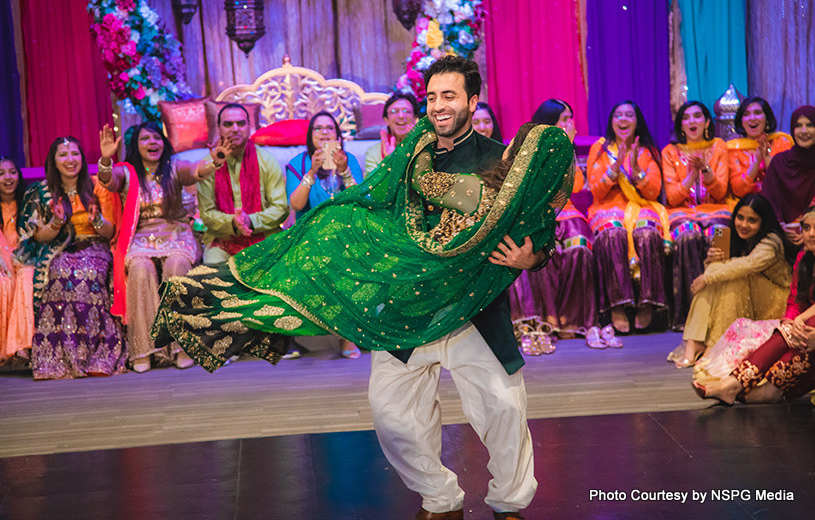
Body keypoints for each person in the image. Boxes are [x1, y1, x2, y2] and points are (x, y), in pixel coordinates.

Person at [152, 56, 573, 520]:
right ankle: (440, 498)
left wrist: (530, 256)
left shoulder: (502, 160)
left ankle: (509, 505)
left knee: (504, 405)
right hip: (405, 306)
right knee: (392, 414)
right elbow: (374, 199)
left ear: (473, 101)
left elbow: (541, 230)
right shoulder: (414, 154)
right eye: (431, 98)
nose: (438, 107)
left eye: (449, 96)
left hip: (475, 307)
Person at [97, 122, 221, 373]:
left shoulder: (174, 167)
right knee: (141, 270)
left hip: (176, 233)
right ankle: (144, 348)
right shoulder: (128, 172)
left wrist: (214, 160)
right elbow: (109, 181)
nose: (152, 143)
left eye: (157, 138)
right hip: (140, 236)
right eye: (145, 139)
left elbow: (195, 171)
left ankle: (182, 345)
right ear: (136, 145)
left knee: (177, 265)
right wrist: (105, 159)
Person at [16, 137, 126, 379]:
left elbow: (110, 232)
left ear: (82, 158)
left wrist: (96, 220)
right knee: (59, 277)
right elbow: (41, 237)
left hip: (95, 247)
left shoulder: (98, 187)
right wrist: (56, 222)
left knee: (86, 276)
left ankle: (97, 355)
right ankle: (57, 358)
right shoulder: (42, 191)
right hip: (59, 249)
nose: (70, 160)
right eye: (63, 155)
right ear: (53, 161)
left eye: (75, 154)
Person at [692, 206, 815, 405]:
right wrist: (791, 321)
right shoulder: (804, 257)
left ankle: (765, 389)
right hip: (804, 327)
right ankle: (740, 384)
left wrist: (800, 322)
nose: (810, 235)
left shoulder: (771, 244)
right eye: (807, 228)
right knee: (792, 331)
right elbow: (795, 300)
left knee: (806, 328)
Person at [511, 99, 604, 354]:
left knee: (580, 248)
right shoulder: (526, 148)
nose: (570, 124)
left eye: (570, 118)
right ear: (548, 121)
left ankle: (574, 322)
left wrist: (567, 148)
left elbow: (574, 187)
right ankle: (539, 323)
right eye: (564, 118)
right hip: (535, 214)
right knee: (534, 252)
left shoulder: (568, 148)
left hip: (568, 213)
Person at [675, 194, 793, 368]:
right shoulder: (736, 237)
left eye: (752, 220)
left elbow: (748, 264)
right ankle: (693, 344)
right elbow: (725, 270)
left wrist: (707, 277)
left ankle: (713, 346)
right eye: (740, 217)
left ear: (763, 222)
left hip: (774, 303)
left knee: (733, 276)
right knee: (720, 274)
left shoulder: (772, 242)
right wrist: (711, 262)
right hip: (752, 295)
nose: (744, 225)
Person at [286, 111, 365, 359]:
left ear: (338, 134)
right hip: (310, 233)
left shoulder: (348, 159)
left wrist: (343, 171)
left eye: (329, 128)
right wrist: (312, 171)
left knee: (348, 260)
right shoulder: (297, 163)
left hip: (344, 232)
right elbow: (297, 205)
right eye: (318, 129)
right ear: (310, 136)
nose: (324, 133)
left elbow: (360, 200)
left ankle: (347, 335)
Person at [586, 101, 668, 336]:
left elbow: (653, 191)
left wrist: (635, 170)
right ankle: (618, 305)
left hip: (642, 205)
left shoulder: (648, 151)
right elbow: (596, 190)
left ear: (637, 121)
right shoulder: (600, 150)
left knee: (648, 232)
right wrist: (615, 167)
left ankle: (647, 301)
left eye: (629, 115)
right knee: (613, 232)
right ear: (612, 122)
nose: (623, 119)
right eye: (618, 115)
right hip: (606, 207)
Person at [662, 101, 730, 333]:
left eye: (698, 116)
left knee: (720, 235)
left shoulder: (719, 146)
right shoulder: (670, 152)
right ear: (681, 125)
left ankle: (722, 310)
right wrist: (692, 173)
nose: (692, 121)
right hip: (683, 212)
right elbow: (672, 198)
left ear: (707, 122)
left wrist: (706, 169)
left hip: (716, 210)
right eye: (687, 118)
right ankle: (691, 314)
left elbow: (720, 192)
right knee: (687, 237)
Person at [197, 103, 289, 265]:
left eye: (240, 123)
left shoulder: (267, 161)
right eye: (228, 124)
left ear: (249, 127)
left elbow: (280, 208)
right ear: (219, 128)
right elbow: (207, 214)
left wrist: (251, 220)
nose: (235, 129)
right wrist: (232, 222)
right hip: (222, 240)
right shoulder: (208, 165)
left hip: (265, 234)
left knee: (278, 268)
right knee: (213, 271)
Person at [761, 105, 815, 247]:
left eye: (809, 125)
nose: (804, 131)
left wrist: (809, 233)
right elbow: (768, 201)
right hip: (780, 235)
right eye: (798, 125)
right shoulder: (780, 162)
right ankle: (718, 266)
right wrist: (780, 227)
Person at [0, 157, 34, 366]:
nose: (8, 178)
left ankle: (23, 346)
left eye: (12, 172)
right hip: (1, 260)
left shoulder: (28, 201)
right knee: (3, 282)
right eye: (1, 174)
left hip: (25, 257)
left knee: (27, 277)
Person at [728, 97, 793, 199]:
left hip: (779, 203)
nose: (752, 118)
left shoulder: (781, 143)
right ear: (741, 122)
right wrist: (756, 161)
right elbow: (738, 190)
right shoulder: (734, 149)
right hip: (746, 206)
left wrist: (766, 156)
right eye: (746, 114)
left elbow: (785, 184)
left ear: (767, 119)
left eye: (757, 112)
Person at [364, 92, 420, 176]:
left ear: (415, 118)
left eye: (406, 111)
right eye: (394, 111)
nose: (401, 116)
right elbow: (371, 186)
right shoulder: (373, 152)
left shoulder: (424, 147)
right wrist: (389, 162)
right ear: (386, 119)